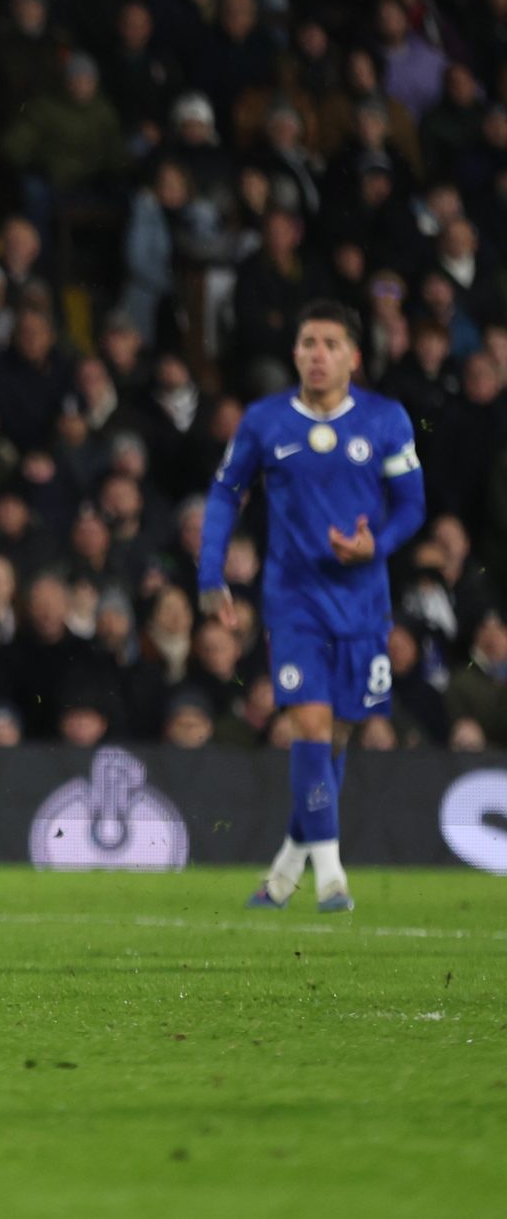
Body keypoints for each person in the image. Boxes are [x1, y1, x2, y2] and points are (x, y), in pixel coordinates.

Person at [200, 299, 424, 912]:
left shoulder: (386, 420)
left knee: (336, 741)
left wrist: (376, 543)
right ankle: (333, 880)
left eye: (329, 343)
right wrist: (209, 571)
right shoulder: (266, 421)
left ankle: (284, 872)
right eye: (306, 343)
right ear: (294, 353)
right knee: (310, 726)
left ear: (353, 355)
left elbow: (411, 505)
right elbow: (226, 495)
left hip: (363, 604)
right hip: (293, 601)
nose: (316, 354)